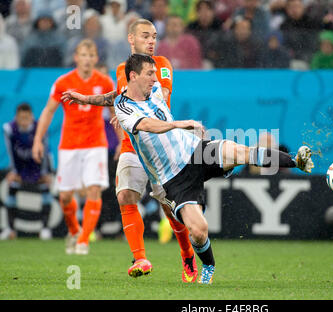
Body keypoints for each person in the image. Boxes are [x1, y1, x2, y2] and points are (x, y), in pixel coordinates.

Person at [114, 53, 314, 284]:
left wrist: (88, 98)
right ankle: (208, 265)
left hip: (196, 151)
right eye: (149, 73)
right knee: (199, 231)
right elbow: (147, 124)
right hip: (174, 178)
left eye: (155, 73)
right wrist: (178, 124)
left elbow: (118, 94)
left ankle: (295, 161)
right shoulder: (123, 107)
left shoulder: (155, 88)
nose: (154, 78)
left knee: (240, 152)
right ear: (133, 76)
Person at [60, 19, 199, 283]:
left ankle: (187, 254)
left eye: (154, 36)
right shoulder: (122, 69)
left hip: (160, 147)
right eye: (145, 36)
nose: (151, 41)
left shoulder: (163, 65)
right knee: (125, 195)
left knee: (170, 209)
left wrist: (123, 108)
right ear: (131, 39)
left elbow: (156, 97)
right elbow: (123, 95)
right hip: (133, 144)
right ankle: (140, 258)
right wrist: (105, 103)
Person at [32, 39, 114, 255]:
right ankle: (75, 230)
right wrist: (38, 140)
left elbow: (116, 114)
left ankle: (84, 241)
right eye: (83, 55)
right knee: (66, 196)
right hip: (69, 144)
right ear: (76, 57)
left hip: (95, 143)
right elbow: (49, 111)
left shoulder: (105, 82)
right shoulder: (63, 82)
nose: (87, 59)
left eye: (91, 55)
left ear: (96, 58)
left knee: (93, 189)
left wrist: (124, 142)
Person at [1, 103, 53, 240]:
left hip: (37, 165)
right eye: (21, 118)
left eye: (26, 118)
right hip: (21, 166)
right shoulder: (9, 129)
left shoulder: (40, 128)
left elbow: (45, 151)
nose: (24, 121)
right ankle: (10, 230)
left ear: (32, 117)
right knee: (11, 189)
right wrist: (14, 171)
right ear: (16, 118)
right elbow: (11, 152)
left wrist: (45, 174)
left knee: (46, 190)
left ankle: (45, 229)